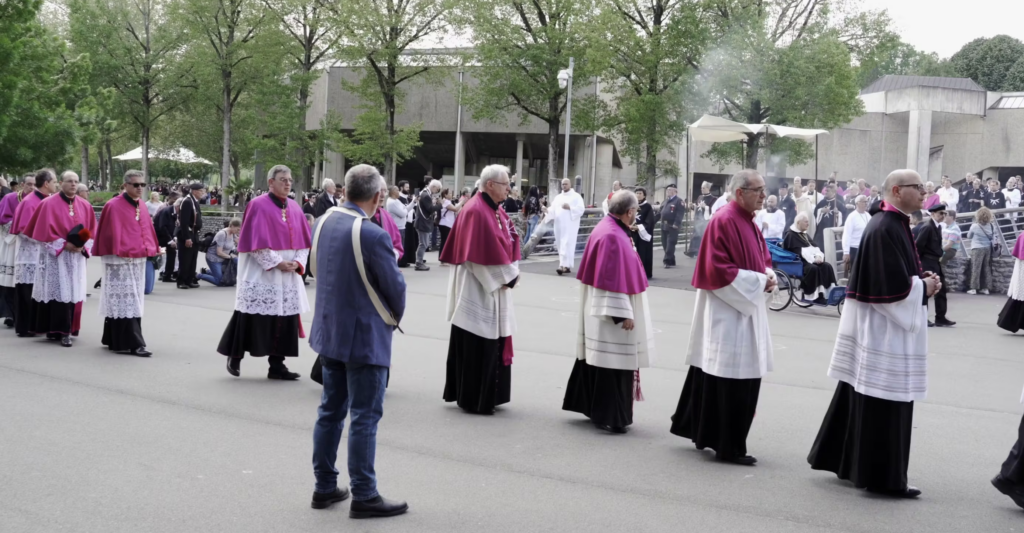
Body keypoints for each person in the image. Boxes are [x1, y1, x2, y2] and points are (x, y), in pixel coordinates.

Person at [808, 169, 940, 499]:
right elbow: (889, 287)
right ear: (896, 190)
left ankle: (843, 460)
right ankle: (883, 477)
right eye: (917, 187)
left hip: (878, 325)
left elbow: (893, 273)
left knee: (860, 395)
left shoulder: (892, 222)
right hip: (885, 331)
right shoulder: (885, 226)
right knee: (885, 400)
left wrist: (917, 276)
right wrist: (924, 286)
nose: (924, 192)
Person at [309, 164, 408, 518]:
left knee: (330, 412)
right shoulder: (372, 234)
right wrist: (394, 318)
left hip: (329, 332)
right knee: (364, 417)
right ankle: (364, 494)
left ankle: (324, 486)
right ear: (379, 196)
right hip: (363, 336)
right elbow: (396, 289)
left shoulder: (322, 221)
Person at [670, 169, 775, 466]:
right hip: (727, 312)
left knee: (733, 378)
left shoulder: (747, 220)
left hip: (744, 306)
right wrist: (759, 281)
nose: (763, 196)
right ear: (740, 192)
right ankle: (727, 445)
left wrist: (767, 275)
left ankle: (715, 436)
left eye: (763, 189)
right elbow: (717, 270)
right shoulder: (725, 220)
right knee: (730, 380)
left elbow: (760, 258)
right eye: (758, 190)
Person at [563, 190, 655, 433]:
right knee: (611, 362)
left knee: (597, 361)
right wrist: (622, 313)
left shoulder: (609, 227)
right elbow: (611, 278)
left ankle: (592, 408)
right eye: (634, 211)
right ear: (629, 212)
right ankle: (610, 415)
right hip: (610, 313)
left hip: (598, 308)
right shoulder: (614, 235)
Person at [217, 165, 311, 380]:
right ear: (271, 182)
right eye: (282, 179)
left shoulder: (296, 207)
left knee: (284, 318)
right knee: (250, 315)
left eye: (289, 180)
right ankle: (235, 355)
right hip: (263, 271)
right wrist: (277, 262)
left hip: (288, 273)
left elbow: (304, 242)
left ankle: (277, 365)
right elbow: (254, 241)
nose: (287, 183)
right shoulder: (258, 205)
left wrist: (297, 262)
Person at [440, 164, 520, 414]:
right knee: (478, 339)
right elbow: (475, 257)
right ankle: (474, 397)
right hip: (478, 286)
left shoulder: (493, 208)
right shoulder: (476, 210)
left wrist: (512, 268)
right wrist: (508, 277)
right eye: (506, 184)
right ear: (490, 185)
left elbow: (508, 237)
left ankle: (490, 394)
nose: (509, 188)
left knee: (489, 339)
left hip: (491, 283)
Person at [23, 171, 97, 347]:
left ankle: (69, 329)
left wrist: (82, 246)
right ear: (61, 183)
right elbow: (41, 233)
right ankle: (58, 330)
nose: (73, 184)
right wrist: (64, 245)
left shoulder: (85, 205)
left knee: (72, 292)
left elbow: (92, 231)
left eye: (76, 181)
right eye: (69, 181)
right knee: (58, 291)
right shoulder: (48, 204)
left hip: (77, 257)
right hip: (56, 257)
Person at [93, 170, 159, 356]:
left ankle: (113, 338)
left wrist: (151, 248)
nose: (140, 188)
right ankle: (133, 343)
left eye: (142, 185)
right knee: (125, 299)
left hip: (137, 259)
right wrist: (125, 250)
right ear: (125, 185)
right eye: (135, 184)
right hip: (119, 260)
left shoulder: (142, 205)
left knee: (131, 298)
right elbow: (110, 233)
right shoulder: (113, 205)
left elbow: (146, 230)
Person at [11, 170, 54, 337]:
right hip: (30, 256)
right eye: (54, 182)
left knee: (37, 293)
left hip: (41, 255)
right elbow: (25, 231)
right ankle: (25, 327)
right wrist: (50, 239)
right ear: (46, 184)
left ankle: (36, 325)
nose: (55, 185)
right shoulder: (31, 202)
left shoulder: (45, 200)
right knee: (27, 293)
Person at [914, 204, 956, 327]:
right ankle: (923, 318)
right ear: (932, 214)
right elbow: (918, 246)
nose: (943, 216)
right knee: (926, 290)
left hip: (935, 261)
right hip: (927, 262)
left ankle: (940, 317)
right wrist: (919, 264)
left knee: (941, 289)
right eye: (940, 213)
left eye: (944, 214)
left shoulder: (937, 227)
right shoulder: (928, 227)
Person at [784, 213, 838, 304]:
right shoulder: (790, 235)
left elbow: (814, 247)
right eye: (806, 222)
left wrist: (818, 256)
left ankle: (828, 294)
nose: (808, 224)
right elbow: (800, 252)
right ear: (798, 223)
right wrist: (814, 259)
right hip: (799, 262)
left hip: (809, 260)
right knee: (814, 268)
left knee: (827, 266)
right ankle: (816, 296)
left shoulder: (804, 234)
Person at [546, 177, 585, 275]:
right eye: (563, 184)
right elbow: (553, 209)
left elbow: (581, 209)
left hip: (570, 225)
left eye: (566, 184)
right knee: (560, 243)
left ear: (570, 184)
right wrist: (546, 211)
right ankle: (565, 265)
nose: (564, 186)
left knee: (567, 243)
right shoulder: (558, 197)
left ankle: (562, 265)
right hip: (559, 224)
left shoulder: (576, 196)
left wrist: (570, 208)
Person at [0, 181, 23, 327]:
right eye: (29, 184)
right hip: (12, 243)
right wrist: (22, 228)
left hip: (33, 246)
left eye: (34, 184)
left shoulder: (44, 199)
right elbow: (3, 220)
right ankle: (10, 313)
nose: (32, 187)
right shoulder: (10, 198)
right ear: (22, 185)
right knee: (9, 282)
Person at [176, 183, 205, 289]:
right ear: (195, 191)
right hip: (187, 233)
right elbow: (183, 222)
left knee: (193, 258)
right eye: (201, 191)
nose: (203, 193)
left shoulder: (194, 201)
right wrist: (187, 237)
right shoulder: (187, 201)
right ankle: (181, 281)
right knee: (185, 259)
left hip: (194, 233)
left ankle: (189, 279)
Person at [197, 218, 240, 286]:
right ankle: (199, 275)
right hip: (214, 259)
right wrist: (231, 257)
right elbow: (219, 252)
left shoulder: (232, 233)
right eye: (238, 229)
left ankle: (207, 271)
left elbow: (240, 243)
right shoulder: (222, 234)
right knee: (220, 281)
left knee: (227, 276)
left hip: (224, 258)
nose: (238, 232)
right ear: (232, 226)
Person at [966, 207, 999, 295]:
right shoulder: (992, 226)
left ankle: (974, 288)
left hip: (977, 248)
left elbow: (969, 236)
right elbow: (994, 236)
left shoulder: (975, 226)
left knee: (976, 268)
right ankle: (986, 288)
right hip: (987, 248)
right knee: (986, 267)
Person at [369, 182, 404, 260]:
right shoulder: (358, 214)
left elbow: (397, 245)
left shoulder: (386, 215)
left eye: (385, 191)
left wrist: (392, 255)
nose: (382, 195)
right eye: (379, 190)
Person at [413, 179, 442, 271]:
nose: (437, 192)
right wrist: (440, 205)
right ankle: (419, 263)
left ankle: (419, 262)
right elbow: (430, 209)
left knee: (423, 243)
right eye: (437, 189)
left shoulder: (424, 193)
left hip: (422, 222)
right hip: (423, 222)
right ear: (433, 187)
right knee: (423, 244)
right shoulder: (426, 195)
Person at [685, 182, 717, 258]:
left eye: (704, 188)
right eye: (701, 188)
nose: (702, 189)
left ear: (708, 189)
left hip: (705, 220)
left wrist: (706, 207)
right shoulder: (700, 197)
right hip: (698, 219)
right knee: (695, 235)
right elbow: (696, 206)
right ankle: (692, 251)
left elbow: (714, 209)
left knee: (702, 236)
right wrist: (692, 206)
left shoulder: (713, 199)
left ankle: (700, 252)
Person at [154, 192, 181, 283]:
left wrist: (174, 237)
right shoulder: (166, 211)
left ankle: (167, 275)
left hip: (168, 235)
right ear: (178, 206)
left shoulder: (175, 211)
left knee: (172, 253)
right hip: (159, 235)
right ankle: (165, 274)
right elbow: (162, 226)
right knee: (164, 254)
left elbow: (174, 226)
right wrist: (170, 240)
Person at [841, 195, 870, 274]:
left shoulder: (868, 215)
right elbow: (847, 234)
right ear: (857, 203)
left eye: (866, 201)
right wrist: (846, 252)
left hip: (866, 247)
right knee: (856, 272)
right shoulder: (852, 217)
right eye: (864, 202)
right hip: (855, 248)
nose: (866, 203)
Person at [632, 187, 657, 279]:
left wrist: (638, 227)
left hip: (643, 234)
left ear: (644, 195)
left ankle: (644, 273)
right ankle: (633, 272)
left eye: (640, 193)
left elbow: (649, 221)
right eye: (636, 193)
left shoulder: (648, 207)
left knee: (643, 253)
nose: (638, 195)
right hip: (633, 233)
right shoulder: (632, 205)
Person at [813, 182, 846, 249]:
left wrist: (838, 214)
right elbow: (815, 212)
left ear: (833, 192)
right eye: (825, 191)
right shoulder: (822, 202)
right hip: (821, 230)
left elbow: (844, 215)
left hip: (832, 228)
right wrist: (821, 210)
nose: (825, 192)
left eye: (828, 191)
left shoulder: (838, 204)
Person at [660, 184, 685, 264]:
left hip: (672, 225)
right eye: (667, 190)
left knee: (670, 243)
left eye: (670, 190)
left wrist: (676, 223)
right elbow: (660, 212)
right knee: (664, 244)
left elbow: (680, 213)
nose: (668, 191)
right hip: (664, 225)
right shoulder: (665, 201)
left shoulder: (679, 201)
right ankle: (671, 260)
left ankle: (666, 261)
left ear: (675, 191)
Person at [438, 188, 459, 255]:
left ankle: (444, 258)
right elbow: (455, 209)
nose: (451, 194)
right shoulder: (446, 202)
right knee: (444, 242)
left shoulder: (448, 201)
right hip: (445, 224)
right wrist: (462, 202)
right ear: (445, 195)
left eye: (451, 193)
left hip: (448, 224)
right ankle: (443, 259)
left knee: (445, 241)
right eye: (449, 193)